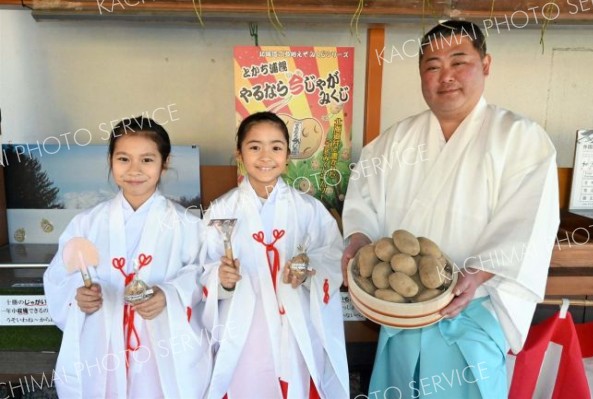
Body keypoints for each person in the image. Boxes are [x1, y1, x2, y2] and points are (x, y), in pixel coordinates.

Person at [342, 20, 560, 398]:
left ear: (486, 64)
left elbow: (530, 221)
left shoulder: (520, 138)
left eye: (459, 61)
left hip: (473, 313)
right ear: (420, 74)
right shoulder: (394, 142)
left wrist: (476, 274)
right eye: (432, 66)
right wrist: (358, 239)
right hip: (402, 315)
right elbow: (364, 202)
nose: (446, 76)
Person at [43, 117, 211, 398]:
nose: (135, 170)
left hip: (162, 345)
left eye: (147, 160)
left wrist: (168, 294)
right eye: (124, 159)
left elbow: (202, 273)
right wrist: (78, 297)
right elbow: (59, 277)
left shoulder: (187, 224)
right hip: (103, 345)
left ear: (164, 162)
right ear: (110, 160)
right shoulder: (87, 223)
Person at [200, 111, 349, 399]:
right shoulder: (221, 210)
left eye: (276, 147)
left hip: (296, 320)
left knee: (297, 380)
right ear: (239, 154)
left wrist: (308, 270)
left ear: (287, 155)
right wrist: (222, 279)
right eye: (254, 147)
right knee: (247, 382)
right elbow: (201, 267)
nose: (265, 156)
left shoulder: (308, 209)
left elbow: (332, 256)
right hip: (246, 323)